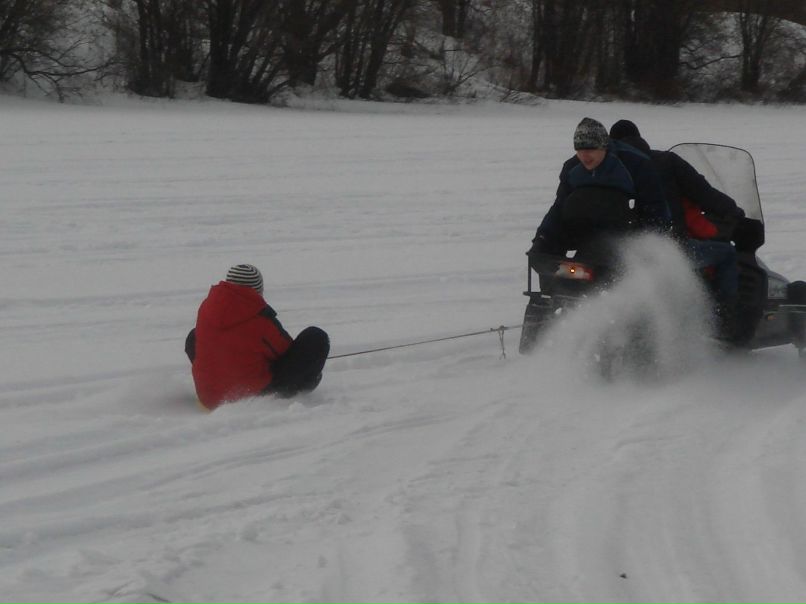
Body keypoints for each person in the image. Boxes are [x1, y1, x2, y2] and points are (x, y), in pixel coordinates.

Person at [608, 119, 745, 312]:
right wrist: (733, 211)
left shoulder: (602, 167)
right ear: (640, 138)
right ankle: (725, 318)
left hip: (613, 248)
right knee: (727, 254)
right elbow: (704, 193)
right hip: (669, 248)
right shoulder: (666, 162)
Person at [185, 264, 330, 410]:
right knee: (316, 337)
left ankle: (215, 385)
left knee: (195, 336)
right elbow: (284, 350)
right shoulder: (260, 318)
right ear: (257, 289)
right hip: (249, 398)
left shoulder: (206, 307)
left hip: (208, 398)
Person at [529, 117, 672, 257]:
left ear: (604, 146)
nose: (585, 155)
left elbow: (656, 208)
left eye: (591, 149)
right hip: (583, 232)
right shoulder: (572, 168)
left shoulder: (635, 164)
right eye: (579, 149)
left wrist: (647, 244)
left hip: (624, 237)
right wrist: (542, 238)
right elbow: (559, 208)